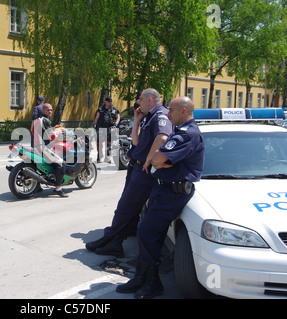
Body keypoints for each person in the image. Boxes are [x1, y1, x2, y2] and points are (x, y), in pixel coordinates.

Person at [116, 96, 205, 299]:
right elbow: (157, 158)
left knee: (147, 232)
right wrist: (159, 161)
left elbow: (158, 158)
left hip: (173, 192)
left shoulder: (188, 134)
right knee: (147, 233)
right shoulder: (180, 132)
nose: (167, 113)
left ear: (183, 111)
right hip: (163, 188)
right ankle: (142, 276)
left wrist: (159, 160)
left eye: (171, 110)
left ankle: (153, 282)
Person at [86, 89, 172, 257]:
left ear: (149, 99)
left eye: (140, 99)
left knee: (125, 208)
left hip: (145, 171)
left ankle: (111, 241)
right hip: (138, 167)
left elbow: (162, 137)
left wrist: (149, 159)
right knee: (126, 208)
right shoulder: (149, 116)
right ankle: (112, 241)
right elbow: (136, 141)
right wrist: (137, 121)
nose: (138, 103)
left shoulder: (161, 115)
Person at [33, 103, 68, 198]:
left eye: (51, 110)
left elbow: (32, 131)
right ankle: (58, 188)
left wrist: (53, 128)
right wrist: (58, 131)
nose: (50, 112)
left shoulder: (37, 120)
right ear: (43, 110)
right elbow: (51, 136)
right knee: (61, 163)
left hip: (35, 147)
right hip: (43, 148)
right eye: (48, 110)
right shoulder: (45, 120)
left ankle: (37, 186)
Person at [93, 97, 120, 163]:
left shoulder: (113, 109)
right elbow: (97, 117)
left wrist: (115, 124)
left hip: (110, 128)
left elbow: (118, 117)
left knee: (112, 142)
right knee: (100, 143)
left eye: (111, 101)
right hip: (101, 127)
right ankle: (99, 157)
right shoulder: (100, 109)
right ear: (106, 102)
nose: (110, 103)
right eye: (109, 101)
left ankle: (112, 157)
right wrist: (94, 125)